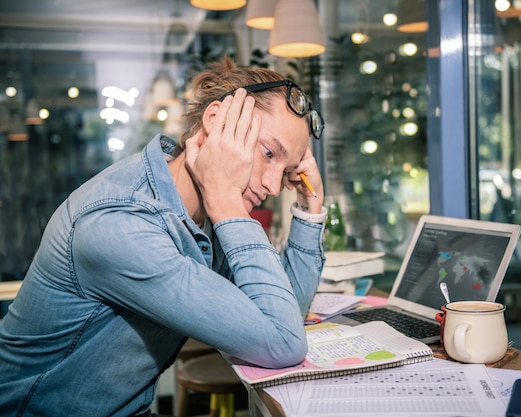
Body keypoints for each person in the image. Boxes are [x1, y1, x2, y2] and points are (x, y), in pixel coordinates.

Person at [0, 56, 327, 417]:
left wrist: (311, 208)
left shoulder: (198, 212)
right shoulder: (121, 223)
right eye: (268, 153)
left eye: (288, 172)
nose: (272, 184)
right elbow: (284, 342)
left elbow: (285, 315)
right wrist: (225, 200)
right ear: (216, 122)